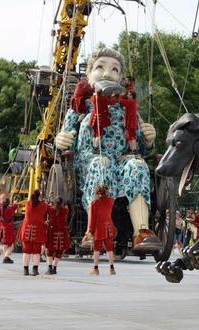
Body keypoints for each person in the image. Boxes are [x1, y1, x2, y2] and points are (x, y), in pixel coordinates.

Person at [55, 47, 160, 254]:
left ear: (120, 78)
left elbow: (141, 145)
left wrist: (148, 139)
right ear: (89, 74)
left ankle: (141, 231)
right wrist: (61, 139)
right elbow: (66, 135)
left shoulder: (128, 108)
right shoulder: (81, 106)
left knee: (138, 165)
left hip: (122, 160)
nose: (106, 73)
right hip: (89, 160)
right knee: (101, 164)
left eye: (114, 70)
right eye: (100, 67)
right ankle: (93, 231)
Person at [87, 185, 116, 275]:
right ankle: (112, 269)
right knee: (109, 249)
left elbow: (92, 219)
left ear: (97, 192)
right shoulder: (111, 201)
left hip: (98, 228)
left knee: (96, 249)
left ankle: (96, 269)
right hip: (109, 227)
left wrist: (90, 231)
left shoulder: (94, 203)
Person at [19, 190, 48, 276]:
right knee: (36, 251)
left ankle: (25, 270)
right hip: (38, 230)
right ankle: (35, 269)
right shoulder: (43, 205)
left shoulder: (28, 204)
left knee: (26, 251)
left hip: (27, 229)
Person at [46, 197, 70, 275]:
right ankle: (54, 268)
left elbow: (48, 209)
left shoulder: (50, 209)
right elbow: (66, 208)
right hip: (62, 232)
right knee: (59, 250)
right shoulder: (65, 210)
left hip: (52, 231)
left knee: (49, 250)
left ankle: (49, 267)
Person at [0, 193, 18, 263]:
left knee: (5, 243)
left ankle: (5, 257)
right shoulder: (9, 208)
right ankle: (6, 256)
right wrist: (15, 203)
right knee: (11, 244)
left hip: (1, 226)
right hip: (8, 227)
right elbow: (14, 207)